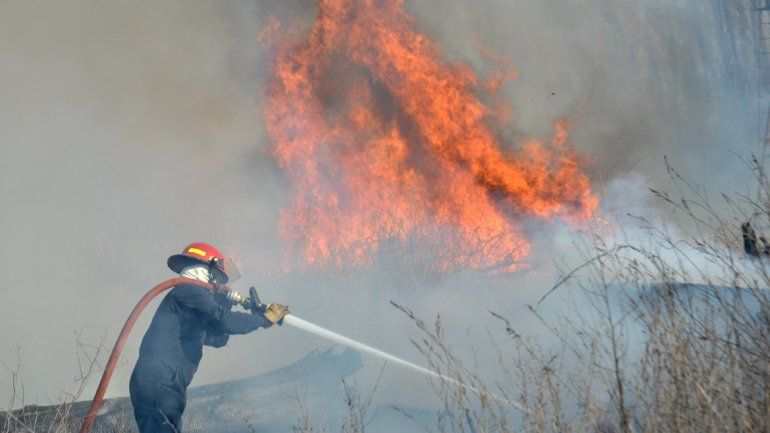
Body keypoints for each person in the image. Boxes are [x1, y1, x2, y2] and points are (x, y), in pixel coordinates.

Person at [129, 242, 288, 433]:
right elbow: (223, 321)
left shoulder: (190, 301)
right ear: (207, 271)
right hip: (160, 382)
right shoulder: (188, 290)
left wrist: (224, 304)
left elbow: (219, 338)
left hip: (165, 383)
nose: (218, 285)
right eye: (217, 279)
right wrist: (262, 319)